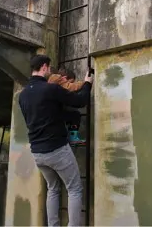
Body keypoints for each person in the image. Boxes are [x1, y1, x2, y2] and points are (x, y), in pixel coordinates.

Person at [18, 54, 93, 227]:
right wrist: (88, 82)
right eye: (50, 68)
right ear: (44, 67)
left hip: (37, 152)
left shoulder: (23, 95)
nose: (51, 71)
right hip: (56, 149)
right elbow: (80, 101)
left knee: (53, 189)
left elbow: (46, 115)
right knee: (74, 188)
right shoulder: (50, 89)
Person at [48, 66, 86, 145]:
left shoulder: (50, 81)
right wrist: (85, 82)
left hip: (50, 113)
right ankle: (73, 138)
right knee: (75, 115)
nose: (71, 83)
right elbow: (71, 87)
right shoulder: (58, 81)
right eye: (71, 81)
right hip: (53, 114)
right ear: (64, 78)